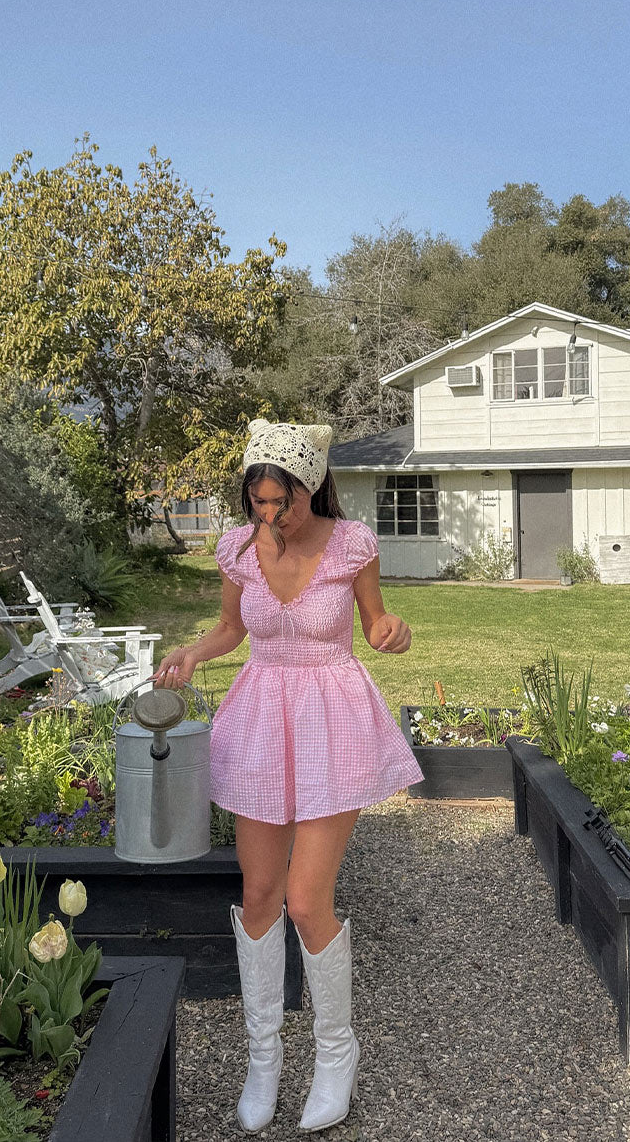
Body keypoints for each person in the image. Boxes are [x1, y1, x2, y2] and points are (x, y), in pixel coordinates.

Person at [153, 418, 423, 1133]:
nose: (271, 515)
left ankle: (336, 1054)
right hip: (261, 720)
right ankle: (263, 1059)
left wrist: (392, 633)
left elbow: (377, 626)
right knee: (259, 896)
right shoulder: (238, 549)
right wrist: (191, 653)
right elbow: (232, 629)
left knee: (306, 901)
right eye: (260, 502)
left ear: (313, 488)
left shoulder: (352, 544)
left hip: (333, 719)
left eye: (284, 501)